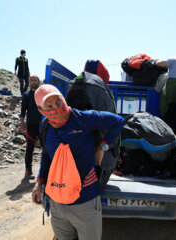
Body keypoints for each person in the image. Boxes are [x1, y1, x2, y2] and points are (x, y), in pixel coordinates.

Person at [31, 84, 125, 240]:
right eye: (49, 106)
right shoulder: (45, 126)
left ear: (63, 98)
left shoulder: (83, 118)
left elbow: (118, 122)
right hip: (57, 203)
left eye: (58, 101)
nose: (56, 107)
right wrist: (39, 182)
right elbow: (47, 154)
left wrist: (102, 147)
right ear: (41, 111)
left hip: (85, 202)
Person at [20, 75, 42, 178]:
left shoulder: (43, 94)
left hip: (43, 126)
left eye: (35, 80)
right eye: (32, 80)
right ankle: (28, 170)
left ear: (39, 82)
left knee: (46, 148)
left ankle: (45, 171)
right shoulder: (26, 95)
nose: (33, 82)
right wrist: (22, 125)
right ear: (29, 82)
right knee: (30, 149)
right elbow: (22, 112)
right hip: (31, 126)